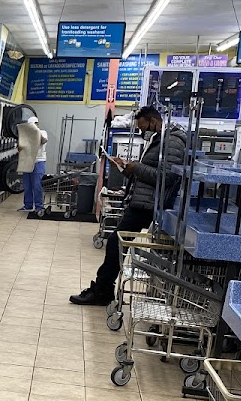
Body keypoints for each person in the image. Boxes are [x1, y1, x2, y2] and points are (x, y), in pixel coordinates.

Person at [70, 105, 186, 306]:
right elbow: (152, 172)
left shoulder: (173, 141)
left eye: (143, 128)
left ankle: (103, 290)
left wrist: (137, 167)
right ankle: (103, 288)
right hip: (142, 201)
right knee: (116, 243)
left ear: (153, 121)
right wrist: (127, 169)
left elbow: (167, 177)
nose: (142, 132)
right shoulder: (159, 139)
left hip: (150, 205)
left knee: (116, 242)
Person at [17, 117, 48, 213]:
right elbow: (20, 147)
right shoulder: (25, 135)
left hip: (39, 161)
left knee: (37, 185)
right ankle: (28, 205)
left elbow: (43, 141)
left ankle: (39, 206)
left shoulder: (42, 132)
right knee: (27, 185)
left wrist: (36, 132)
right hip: (27, 161)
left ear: (38, 124)